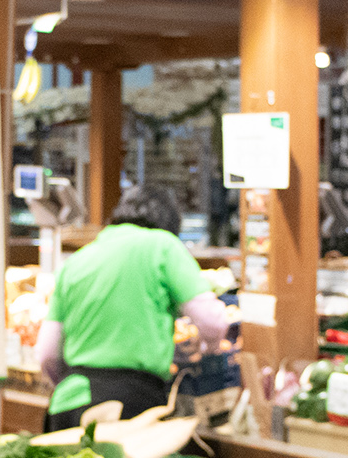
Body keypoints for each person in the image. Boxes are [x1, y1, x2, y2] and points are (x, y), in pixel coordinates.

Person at [35, 183, 228, 429]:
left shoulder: (77, 260)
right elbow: (212, 321)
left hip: (66, 403)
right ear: (169, 225)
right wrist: (209, 348)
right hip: (129, 402)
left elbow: (47, 354)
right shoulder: (162, 245)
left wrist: (71, 383)